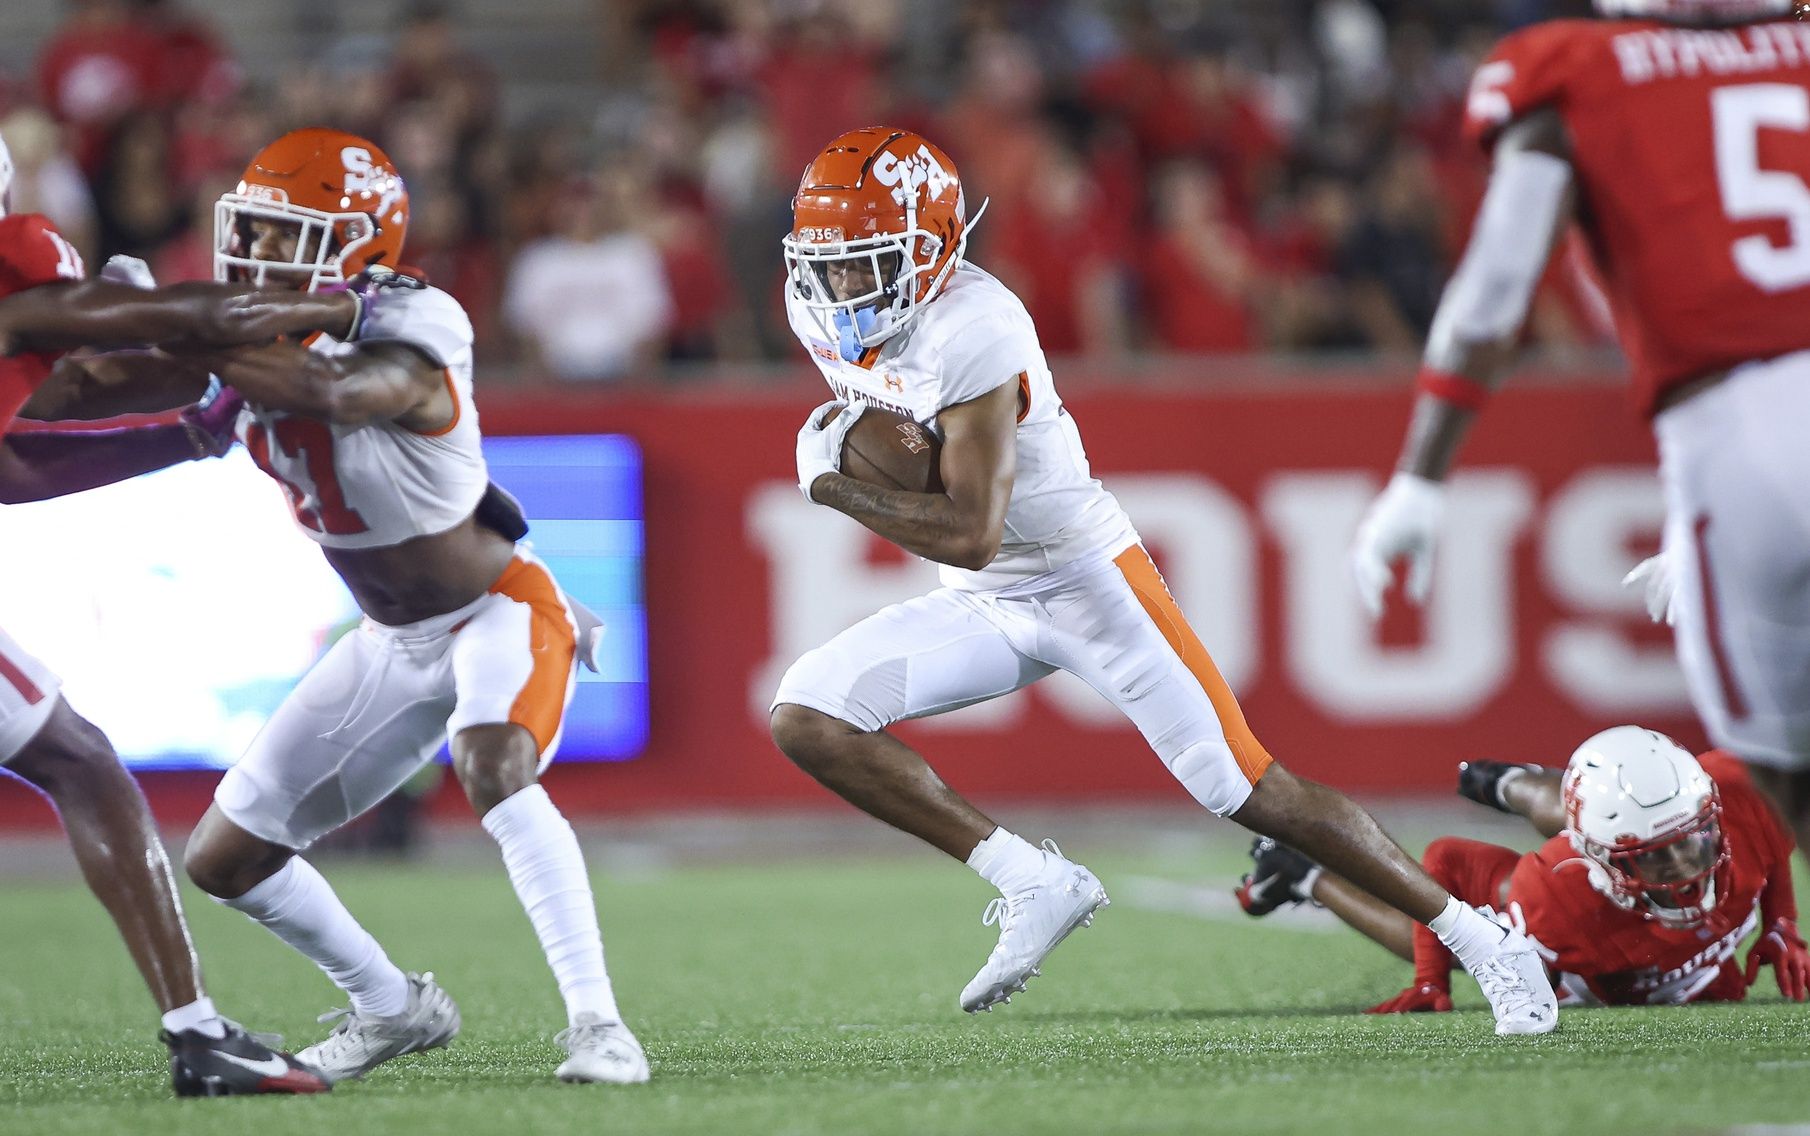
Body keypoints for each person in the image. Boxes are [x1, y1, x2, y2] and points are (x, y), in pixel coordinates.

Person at [771, 127, 1557, 1036]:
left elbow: (973, 531)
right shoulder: (819, 306)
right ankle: (1031, 879)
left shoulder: (975, 326)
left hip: (1081, 578)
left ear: (933, 247)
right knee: (808, 714)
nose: (840, 292)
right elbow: (938, 500)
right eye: (827, 268)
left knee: (1249, 788)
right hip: (985, 605)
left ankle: (1487, 941)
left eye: (865, 266)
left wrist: (832, 483)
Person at [63, 127, 648, 1085]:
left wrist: (177, 324)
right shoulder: (241, 330)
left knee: (493, 763)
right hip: (392, 635)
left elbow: (338, 390)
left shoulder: (416, 317)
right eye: (248, 229)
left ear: (356, 248)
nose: (254, 255)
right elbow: (88, 391)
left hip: (496, 603)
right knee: (223, 857)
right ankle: (392, 1005)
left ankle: (599, 1027)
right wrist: (87, 326)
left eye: (283, 235)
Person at [1347, 0, 1810, 853]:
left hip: (1733, 440)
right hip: (1739, 431)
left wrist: (1419, 479)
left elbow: (1493, 294)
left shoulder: (1580, 71)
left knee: (1783, 772)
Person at [0, 131, 339, 1096]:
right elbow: (182, 317)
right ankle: (199, 1034)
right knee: (84, 764)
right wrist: (335, 303)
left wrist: (189, 431)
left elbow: (16, 464)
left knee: (79, 759)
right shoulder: (22, 277)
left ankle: (200, 1033)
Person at [1239, 727, 1806, 1012]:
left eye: (1697, 841)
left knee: (1622, 816)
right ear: (1599, 863)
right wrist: (1431, 980)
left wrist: (1782, 922)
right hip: (1574, 920)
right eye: (1653, 857)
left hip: (1635, 911)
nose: (1685, 868)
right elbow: (1447, 862)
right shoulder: (1556, 900)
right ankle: (1300, 874)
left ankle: (1508, 781)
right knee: (1452, 939)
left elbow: (1771, 839)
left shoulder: (1743, 796)